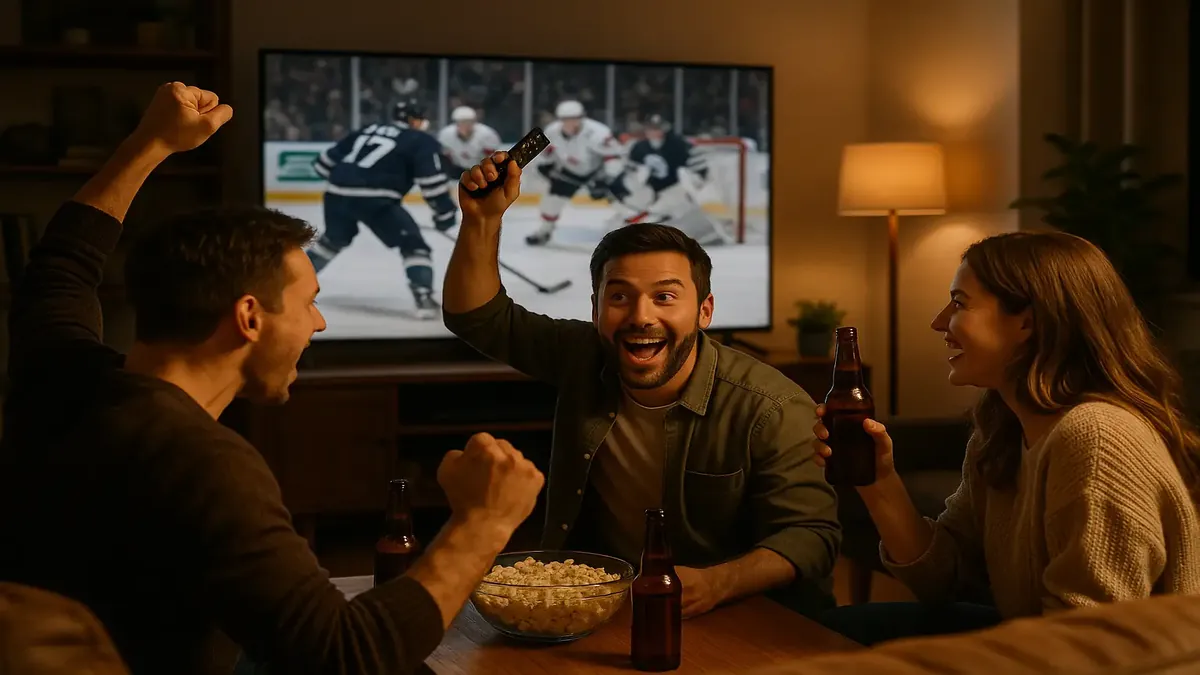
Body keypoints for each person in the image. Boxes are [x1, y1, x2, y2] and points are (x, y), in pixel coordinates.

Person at [0, 82, 545, 675]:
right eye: (308, 302)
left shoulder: (59, 370)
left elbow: (62, 268)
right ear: (249, 316)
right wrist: (483, 522)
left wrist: (151, 143)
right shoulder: (202, 465)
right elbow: (347, 655)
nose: (320, 321)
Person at [443, 152, 841, 619]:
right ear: (596, 309)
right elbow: (478, 319)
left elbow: (813, 537)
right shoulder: (584, 353)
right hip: (609, 612)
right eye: (619, 297)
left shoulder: (771, 407)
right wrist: (481, 220)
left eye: (665, 297)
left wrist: (717, 583)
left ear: (705, 311)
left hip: (748, 619)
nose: (640, 316)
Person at [814, 230, 1200, 645]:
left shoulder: (1097, 438)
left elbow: (1088, 648)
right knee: (823, 635)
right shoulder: (1002, 425)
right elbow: (943, 579)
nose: (939, 322)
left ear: (1027, 322)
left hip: (1103, 659)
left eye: (959, 303)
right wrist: (878, 481)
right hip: (1037, 643)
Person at [308, 97, 457, 320]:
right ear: (413, 120)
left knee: (333, 241)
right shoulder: (420, 140)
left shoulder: (366, 130)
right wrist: (445, 213)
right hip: (377, 199)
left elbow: (321, 165)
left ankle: (287, 284)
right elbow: (431, 182)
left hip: (336, 194)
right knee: (414, 245)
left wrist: (352, 178)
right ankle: (423, 296)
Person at [603, 114, 732, 247]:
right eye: (651, 128)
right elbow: (629, 174)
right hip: (650, 192)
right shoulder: (639, 148)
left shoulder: (678, 144)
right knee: (641, 213)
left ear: (664, 129)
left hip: (675, 191)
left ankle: (708, 233)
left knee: (669, 214)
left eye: (657, 128)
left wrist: (696, 180)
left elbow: (698, 166)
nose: (654, 132)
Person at [525, 99, 624, 246]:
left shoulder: (598, 132)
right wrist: (544, 165)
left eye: (574, 118)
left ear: (582, 117)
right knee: (551, 203)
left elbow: (614, 156)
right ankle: (545, 231)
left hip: (597, 173)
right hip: (568, 172)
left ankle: (625, 232)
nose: (570, 123)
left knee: (621, 203)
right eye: (565, 119)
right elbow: (545, 153)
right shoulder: (552, 131)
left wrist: (607, 178)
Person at [436, 105, 501, 207]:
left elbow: (491, 159)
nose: (465, 126)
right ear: (456, 123)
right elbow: (444, 158)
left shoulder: (487, 135)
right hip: (457, 166)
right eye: (461, 122)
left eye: (468, 122)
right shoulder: (446, 135)